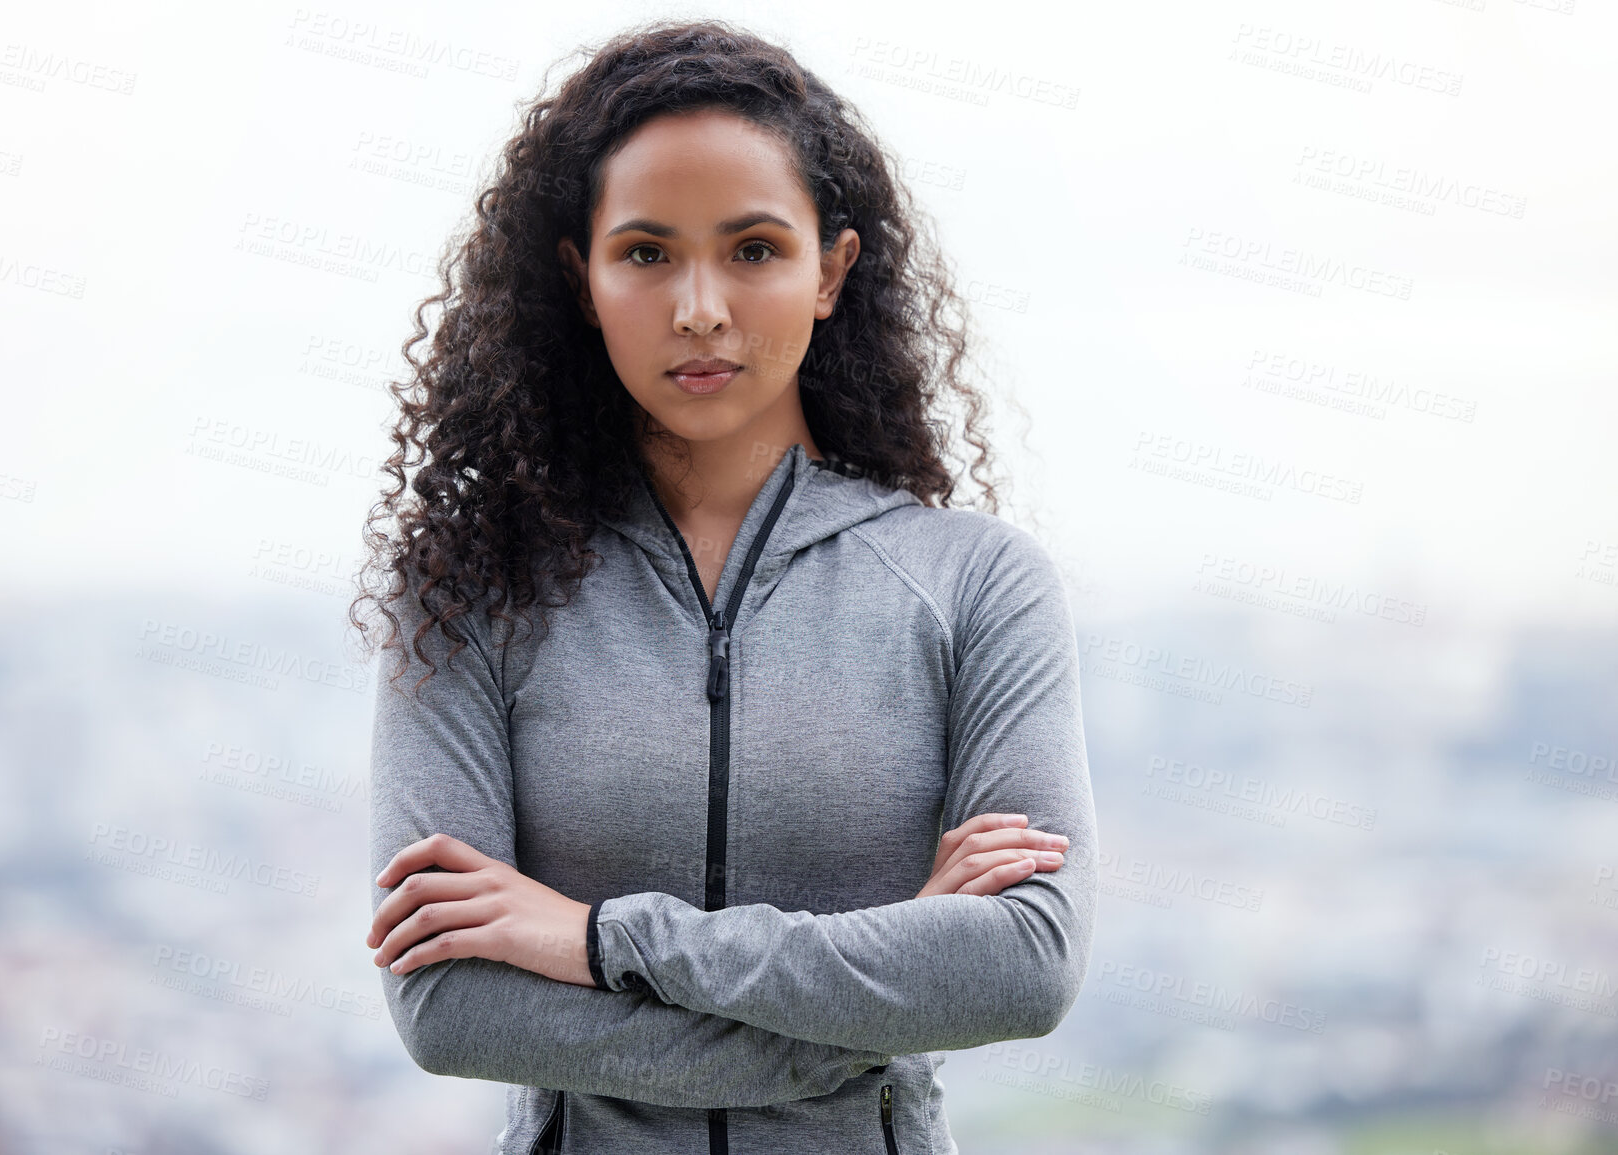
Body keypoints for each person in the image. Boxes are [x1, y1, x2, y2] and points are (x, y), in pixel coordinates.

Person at [354, 20, 1097, 1155]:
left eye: (754, 249)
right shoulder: (472, 589)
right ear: (582, 278)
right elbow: (449, 1004)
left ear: (831, 271)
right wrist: (880, 995)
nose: (700, 307)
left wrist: (597, 939)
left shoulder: (977, 585)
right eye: (646, 253)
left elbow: (1024, 967)